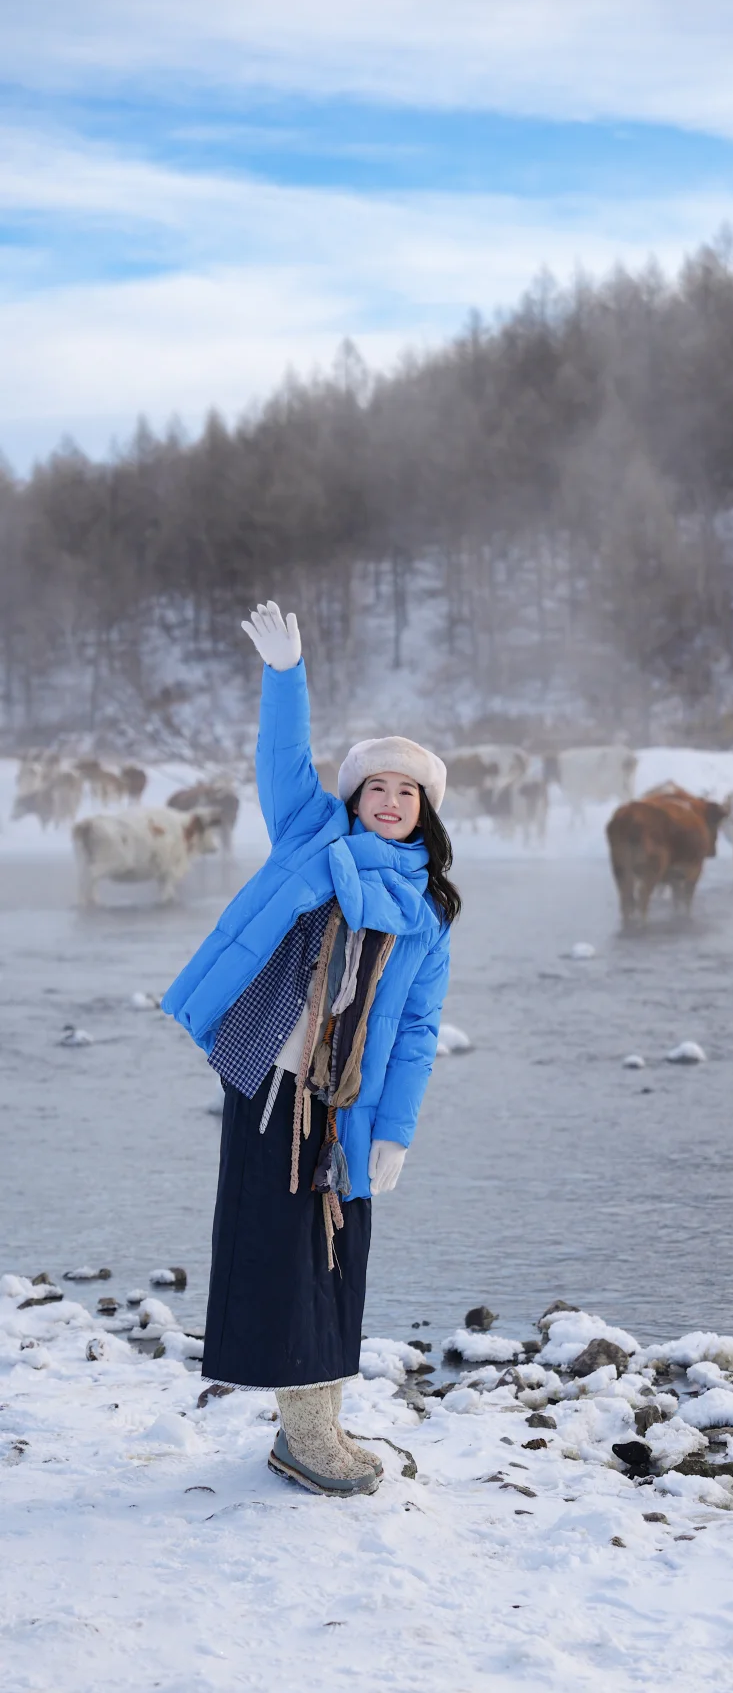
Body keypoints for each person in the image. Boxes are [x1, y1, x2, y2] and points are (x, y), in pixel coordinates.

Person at [161, 601, 459, 1497]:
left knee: (336, 1255)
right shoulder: (311, 837)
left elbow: (415, 1030)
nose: (392, 802)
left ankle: (319, 1417)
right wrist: (286, 678)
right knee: (278, 1253)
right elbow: (281, 762)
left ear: (425, 812)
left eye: (408, 792)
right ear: (355, 799)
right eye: (379, 788)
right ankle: (302, 1432)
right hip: (270, 1083)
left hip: (348, 1104)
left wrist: (395, 1131)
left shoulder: (428, 913)